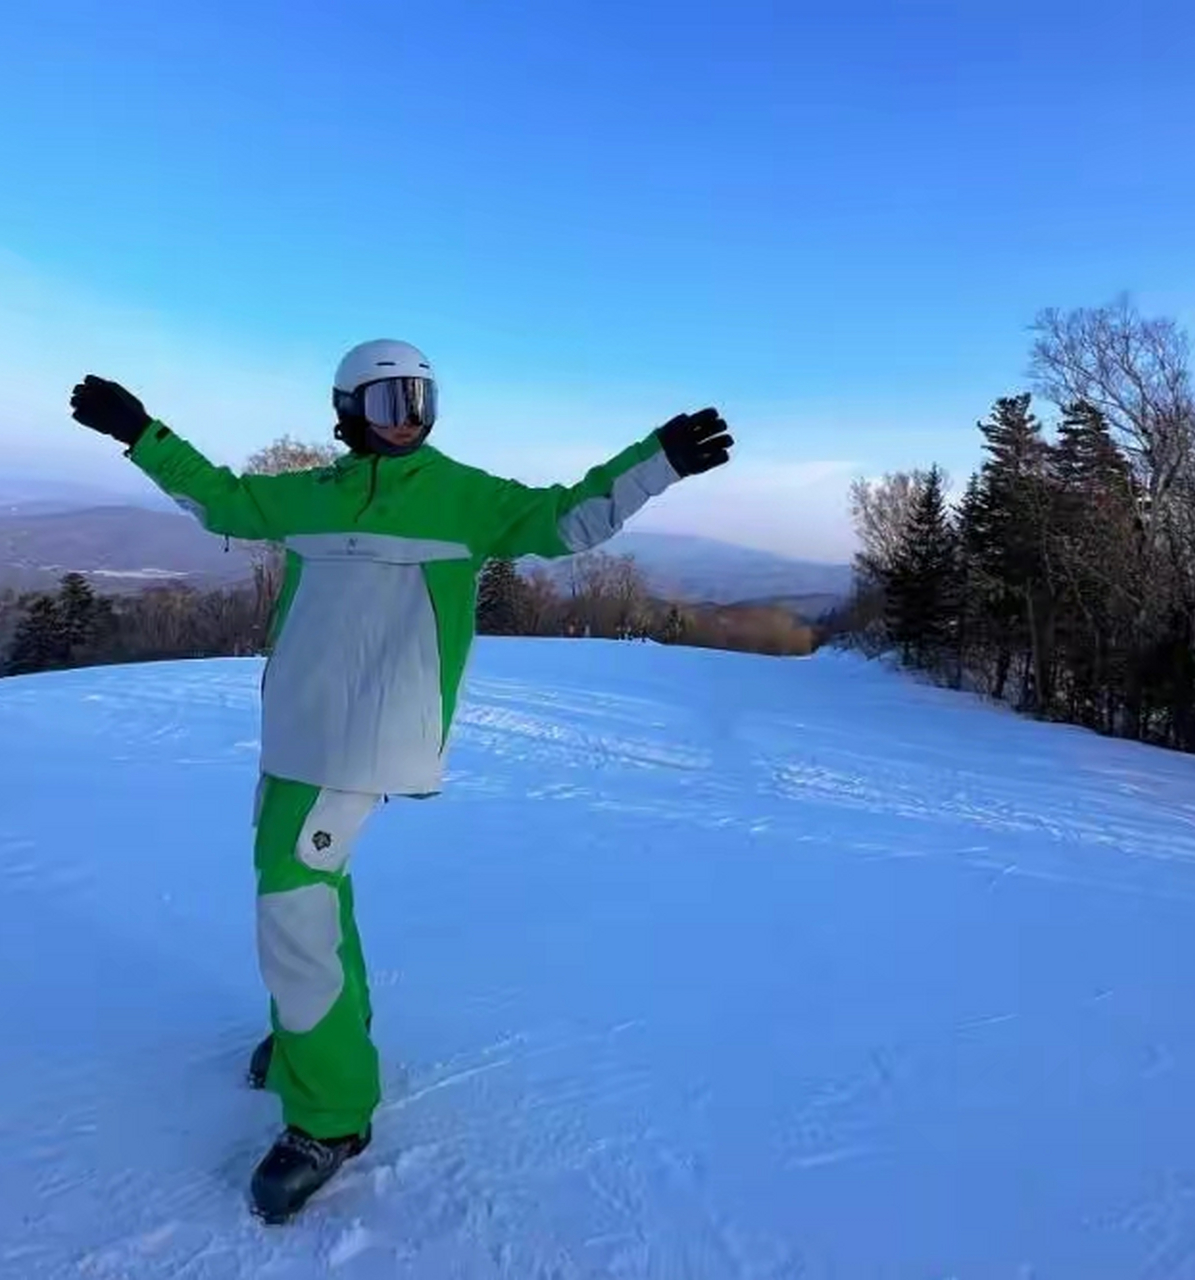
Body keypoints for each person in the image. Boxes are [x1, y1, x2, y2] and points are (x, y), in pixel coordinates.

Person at [68, 339, 733, 1222]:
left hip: (368, 743)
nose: (408, 420)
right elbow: (222, 497)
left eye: (420, 401)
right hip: (294, 731)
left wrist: (656, 462)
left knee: (293, 903)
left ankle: (331, 1116)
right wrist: (141, 431)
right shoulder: (312, 495)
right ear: (346, 413)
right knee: (311, 891)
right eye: (388, 404)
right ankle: (316, 1037)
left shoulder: (464, 498)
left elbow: (570, 519)